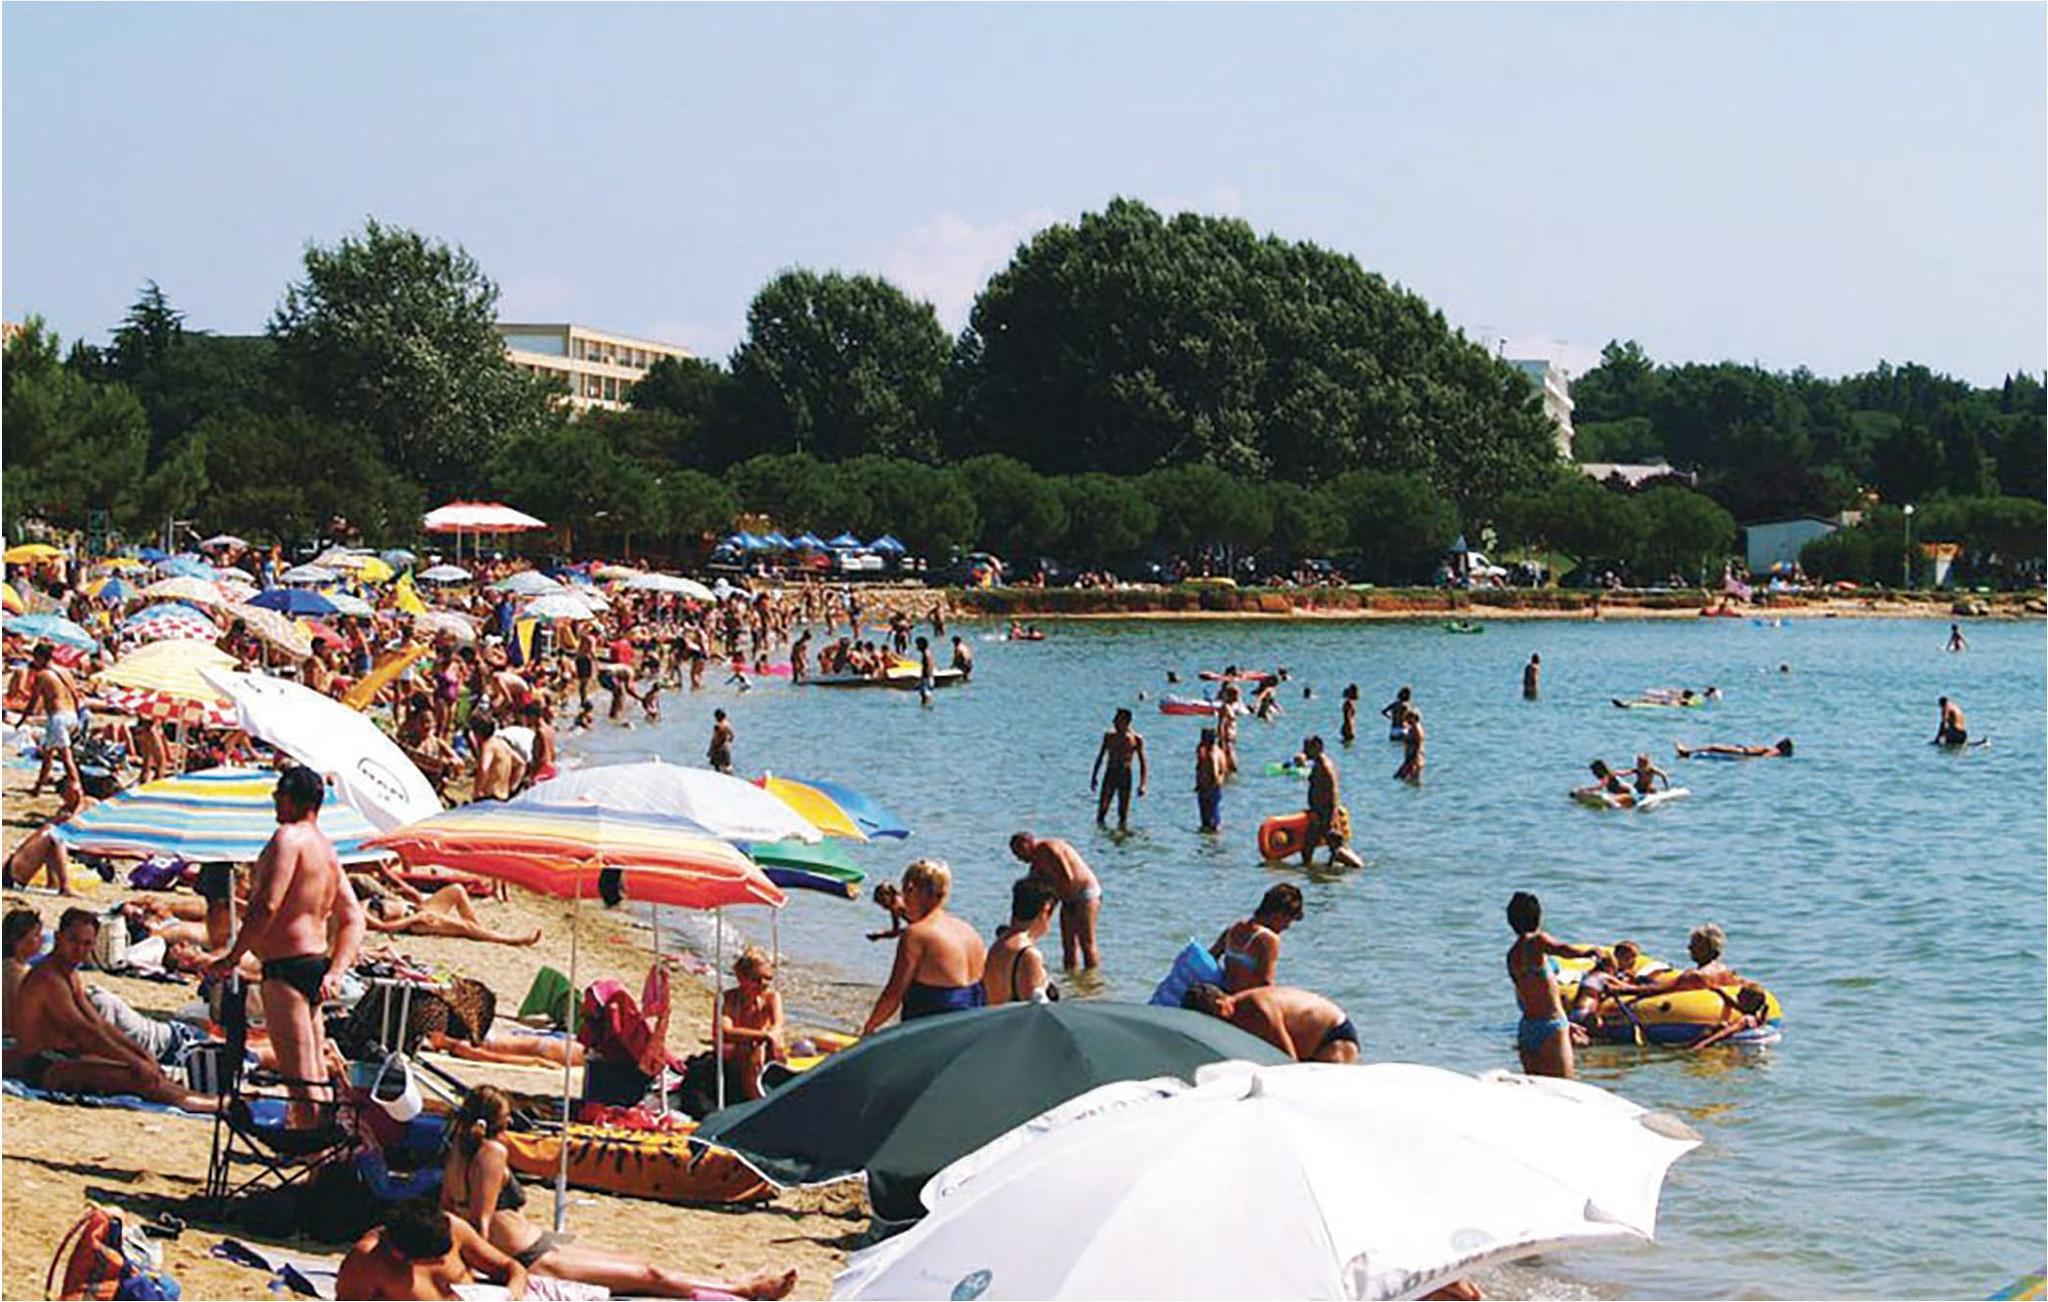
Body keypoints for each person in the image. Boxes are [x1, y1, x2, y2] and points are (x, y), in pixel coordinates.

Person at [441, 1087, 797, 1299]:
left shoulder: (457, 1151)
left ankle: (733, 1283)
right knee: (649, 1275)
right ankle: (744, 1289)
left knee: (639, 1264)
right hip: (531, 1258)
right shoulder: (492, 1152)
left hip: (535, 1246)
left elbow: (449, 1212)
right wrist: (488, 1274)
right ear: (499, 1122)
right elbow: (480, 1223)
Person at [206, 765, 364, 1128]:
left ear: (292, 800)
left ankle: (313, 1156)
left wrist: (233, 956)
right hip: (315, 965)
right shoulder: (327, 850)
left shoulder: (288, 838)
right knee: (315, 1073)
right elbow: (354, 918)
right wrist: (337, 971)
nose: (275, 801)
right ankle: (321, 1152)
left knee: (300, 1080)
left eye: (278, 795)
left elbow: (268, 906)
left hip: (285, 967)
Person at [3, 908, 219, 1111]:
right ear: (58, 937)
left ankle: (199, 1099)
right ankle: (198, 1102)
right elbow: (84, 1032)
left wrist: (143, 1055)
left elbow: (99, 1024)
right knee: (137, 1076)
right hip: (42, 1066)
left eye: (87, 944)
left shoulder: (68, 974)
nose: (79, 949)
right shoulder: (47, 978)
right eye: (73, 941)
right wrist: (136, 1061)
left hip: (62, 1057)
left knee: (142, 1070)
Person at [861, 859, 988, 1031]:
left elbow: (893, 994)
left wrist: (869, 1028)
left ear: (911, 888)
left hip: (932, 1034)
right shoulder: (970, 932)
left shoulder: (916, 934)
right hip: (972, 1031)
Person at [337, 1197, 530, 1302]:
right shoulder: (367, 1261)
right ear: (400, 1255)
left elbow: (512, 1267)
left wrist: (512, 1295)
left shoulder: (452, 1228)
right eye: (435, 1258)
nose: (443, 1262)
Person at [1503, 891, 1600, 1079]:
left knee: (1537, 1087)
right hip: (1551, 1025)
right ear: (1538, 917)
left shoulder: (1512, 955)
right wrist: (1588, 953)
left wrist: (1567, 1024)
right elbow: (1562, 949)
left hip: (1527, 1027)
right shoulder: (1537, 940)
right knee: (1564, 1085)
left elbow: (1524, 996)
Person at [1181, 982, 1358, 1063]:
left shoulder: (1258, 1010)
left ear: (1222, 1006)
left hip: (1333, 1038)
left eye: (1215, 1020)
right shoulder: (1233, 1014)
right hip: (1307, 1047)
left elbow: (1287, 1060)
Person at [1008, 831, 1101, 969]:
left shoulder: (1048, 848)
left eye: (1019, 853)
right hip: (1067, 897)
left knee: (1086, 943)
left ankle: (1091, 980)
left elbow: (1068, 878)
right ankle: (1071, 980)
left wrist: (1053, 898)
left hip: (1085, 893)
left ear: (1027, 844)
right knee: (1068, 945)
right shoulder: (1036, 862)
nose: (1019, 859)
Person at [12, 643, 83, 799]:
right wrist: (77, 716)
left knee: (66, 757)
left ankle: (77, 790)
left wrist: (22, 720)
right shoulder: (65, 672)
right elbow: (76, 695)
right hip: (71, 714)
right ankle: (38, 787)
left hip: (57, 717)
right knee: (48, 754)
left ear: (40, 657)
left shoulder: (42, 675)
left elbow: (33, 702)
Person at [365, 885, 541, 946]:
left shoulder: (367, 897)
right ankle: (511, 939)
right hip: (414, 923)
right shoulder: (359, 910)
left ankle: (479, 931)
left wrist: (408, 895)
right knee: (465, 927)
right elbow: (383, 926)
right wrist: (414, 918)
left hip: (417, 909)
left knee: (456, 889)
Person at [718, 946, 785, 1102]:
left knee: (774, 1045)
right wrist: (763, 1035)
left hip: (761, 1050)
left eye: (768, 978)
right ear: (741, 977)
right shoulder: (727, 999)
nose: (763, 983)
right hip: (734, 1051)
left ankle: (768, 1088)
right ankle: (755, 1097)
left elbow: (778, 1024)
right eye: (756, 979)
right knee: (751, 1049)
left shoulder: (772, 997)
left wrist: (770, 1038)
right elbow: (725, 1031)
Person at [1209, 883, 1303, 993]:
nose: (1287, 926)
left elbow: (1210, 958)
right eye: (1288, 920)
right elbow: (1266, 984)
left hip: (1225, 994)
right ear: (1278, 914)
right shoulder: (1268, 939)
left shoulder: (1233, 930)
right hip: (1245, 1000)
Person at [983, 877, 1059, 1006]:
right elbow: (1035, 1012)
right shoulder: (1028, 955)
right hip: (1015, 1019)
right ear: (1046, 910)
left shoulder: (998, 946)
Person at [1302, 737, 1364, 869]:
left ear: (1317, 747)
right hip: (1319, 812)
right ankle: (1312, 871)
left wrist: (1332, 816)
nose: (1304, 751)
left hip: (1325, 812)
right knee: (1308, 846)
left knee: (1336, 848)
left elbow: (1333, 791)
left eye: (1307, 748)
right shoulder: (1318, 764)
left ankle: (1358, 866)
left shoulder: (1325, 766)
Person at [1091, 708, 1148, 831]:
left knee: (1123, 812)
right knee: (1102, 809)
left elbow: (1142, 763)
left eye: (1117, 720)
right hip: (1110, 773)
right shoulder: (1109, 736)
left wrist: (1142, 784)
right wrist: (1094, 777)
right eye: (1115, 719)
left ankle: (1121, 834)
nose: (1114, 722)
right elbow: (1100, 756)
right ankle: (1100, 834)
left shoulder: (1136, 739)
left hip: (1125, 775)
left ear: (1126, 721)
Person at [5, 819, 77, 896]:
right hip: (12, 876)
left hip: (11, 871)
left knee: (52, 836)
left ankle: (58, 885)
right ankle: (64, 887)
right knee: (53, 835)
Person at [1691, 984, 1772, 1050]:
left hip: (1733, 1050)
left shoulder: (1745, 1019)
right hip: (1745, 1048)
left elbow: (1725, 1032)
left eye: (1740, 996)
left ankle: (1690, 1044)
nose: (1737, 996)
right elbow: (1732, 1003)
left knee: (1717, 1026)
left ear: (1748, 1000)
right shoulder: (1756, 1017)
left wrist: (1703, 1044)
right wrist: (1720, 992)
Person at [468, 715, 525, 802]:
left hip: (490, 796)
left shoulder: (488, 745)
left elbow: (484, 768)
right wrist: (512, 787)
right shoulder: (503, 744)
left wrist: (477, 791)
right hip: (504, 796)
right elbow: (521, 764)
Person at [4, 906, 44, 1022]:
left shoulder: (16, 966)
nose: (41, 940)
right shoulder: (15, 974)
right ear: (18, 941)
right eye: (36, 935)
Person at [1194, 726, 1225, 833]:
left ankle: (1212, 836)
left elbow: (1215, 772)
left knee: (1212, 818)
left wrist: (1212, 785)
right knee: (1210, 817)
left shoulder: (1213, 754)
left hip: (1210, 787)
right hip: (1208, 787)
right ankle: (1210, 837)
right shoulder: (1214, 752)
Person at [1676, 739, 1794, 759]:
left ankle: (1687, 751)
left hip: (1742, 752)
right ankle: (1688, 752)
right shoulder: (1774, 751)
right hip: (1743, 752)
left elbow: (1764, 757)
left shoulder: (1773, 750)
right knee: (1713, 748)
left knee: (1713, 747)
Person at [1393, 709, 1425, 784]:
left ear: (1413, 718)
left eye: (1407, 717)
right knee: (1405, 780)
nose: (1405, 719)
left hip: (1414, 758)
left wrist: (1412, 760)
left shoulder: (1416, 728)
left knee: (1410, 780)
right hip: (1410, 758)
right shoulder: (1412, 727)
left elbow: (1418, 744)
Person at [707, 708, 735, 774]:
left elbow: (731, 735)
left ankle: (726, 775)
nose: (716, 718)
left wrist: (728, 740)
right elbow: (732, 736)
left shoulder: (723, 725)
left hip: (721, 746)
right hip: (718, 746)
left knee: (725, 765)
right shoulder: (721, 724)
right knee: (719, 765)